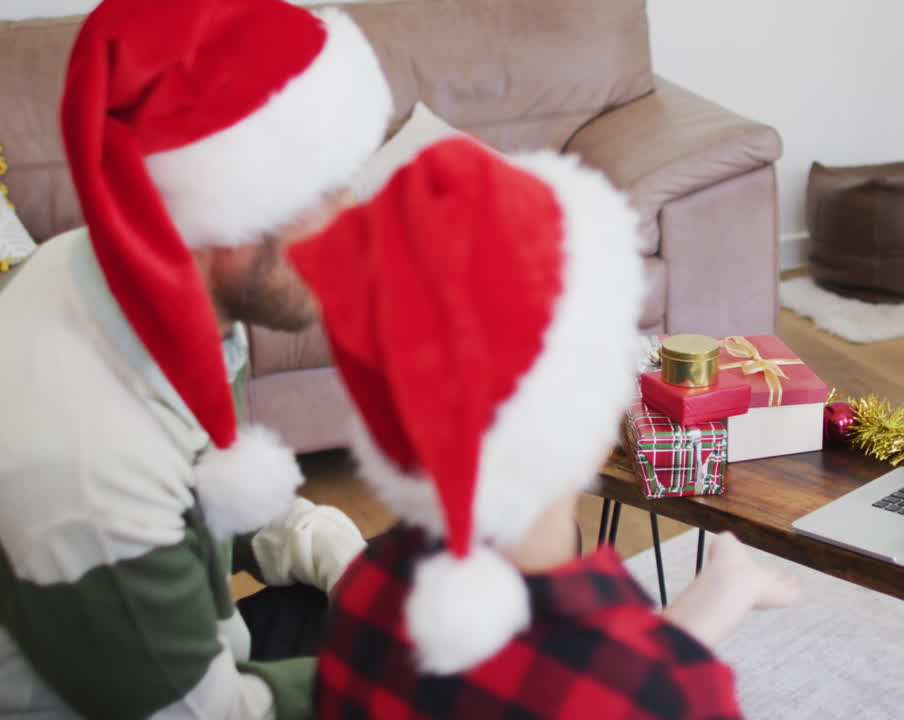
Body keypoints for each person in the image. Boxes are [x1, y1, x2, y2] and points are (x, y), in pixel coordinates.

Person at [289, 135, 798, 719]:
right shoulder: (672, 695)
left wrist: (713, 602)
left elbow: (591, 669)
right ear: (598, 419)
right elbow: (631, 684)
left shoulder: (363, 593)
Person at [0, 0, 392, 717]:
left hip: (188, 651)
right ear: (224, 209)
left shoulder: (127, 283)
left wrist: (343, 560)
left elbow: (212, 486)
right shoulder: (91, 471)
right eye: (321, 189)